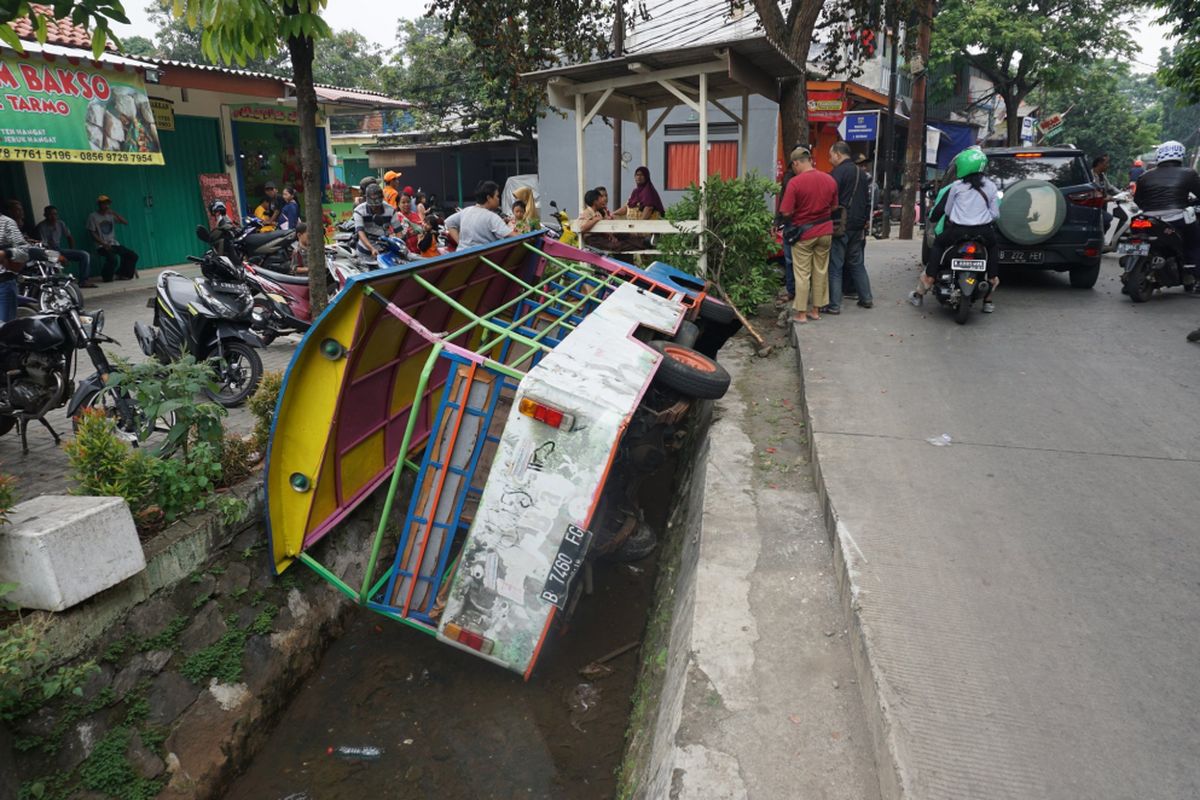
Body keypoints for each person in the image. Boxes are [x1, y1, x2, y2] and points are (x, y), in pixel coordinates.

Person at [910, 147, 1001, 312]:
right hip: (983, 232)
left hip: (958, 231)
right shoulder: (991, 187)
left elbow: (947, 211)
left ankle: (929, 278)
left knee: (938, 245)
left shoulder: (957, 186)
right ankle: (988, 296)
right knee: (993, 247)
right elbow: (995, 214)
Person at [779, 146, 838, 324]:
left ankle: (802, 313)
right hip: (826, 231)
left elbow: (786, 212)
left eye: (793, 166)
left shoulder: (795, 183)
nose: (794, 169)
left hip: (804, 234)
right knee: (820, 271)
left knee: (802, 274)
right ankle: (816, 310)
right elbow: (834, 207)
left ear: (797, 163)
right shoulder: (829, 179)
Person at [1135, 140, 1200, 273]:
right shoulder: (1189, 173)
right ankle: (1194, 271)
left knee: (1135, 238)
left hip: (1147, 219)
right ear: (1181, 155)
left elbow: (1138, 200)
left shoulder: (1144, 176)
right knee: (1194, 242)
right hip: (1177, 219)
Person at [824, 141, 874, 314]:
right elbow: (867, 201)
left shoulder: (838, 173)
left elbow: (829, 198)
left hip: (841, 225)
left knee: (835, 266)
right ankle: (866, 298)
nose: (830, 159)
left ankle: (834, 305)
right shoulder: (862, 174)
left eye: (830, 156)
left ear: (838, 154)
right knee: (857, 263)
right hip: (858, 225)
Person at [35, 206, 95, 287]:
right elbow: (45, 246)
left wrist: (71, 251)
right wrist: (60, 257)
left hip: (59, 249)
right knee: (59, 279)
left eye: (55, 214)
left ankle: (83, 281)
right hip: (48, 252)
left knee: (85, 255)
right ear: (45, 215)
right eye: (50, 214)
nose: (53, 217)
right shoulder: (41, 226)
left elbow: (69, 237)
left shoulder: (60, 223)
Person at [444, 181, 516, 248]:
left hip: (461, 255)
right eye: (497, 196)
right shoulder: (491, 217)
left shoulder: (466, 211)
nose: (498, 199)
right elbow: (512, 236)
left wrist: (460, 244)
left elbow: (449, 222)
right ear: (489, 198)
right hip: (482, 258)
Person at [87, 195, 138, 281]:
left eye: (107, 204)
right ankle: (106, 277)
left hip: (113, 243)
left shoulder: (110, 215)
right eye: (104, 204)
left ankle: (123, 274)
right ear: (99, 204)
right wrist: (103, 243)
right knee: (112, 259)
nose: (106, 206)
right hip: (101, 245)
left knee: (132, 255)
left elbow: (125, 222)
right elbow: (92, 233)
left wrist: (114, 213)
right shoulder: (93, 216)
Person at [352, 182, 398, 263]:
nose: (375, 208)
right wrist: (371, 248)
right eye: (372, 206)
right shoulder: (359, 211)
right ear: (366, 199)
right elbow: (360, 232)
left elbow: (398, 231)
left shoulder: (391, 210)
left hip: (385, 251)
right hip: (364, 252)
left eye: (378, 206)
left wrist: (398, 244)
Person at [0, 209, 30, 322]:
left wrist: (5, 253)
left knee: (4, 330)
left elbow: (25, 252)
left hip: (2, 285)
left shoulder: (6, 223)